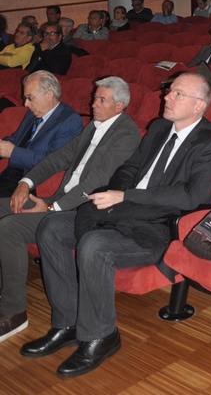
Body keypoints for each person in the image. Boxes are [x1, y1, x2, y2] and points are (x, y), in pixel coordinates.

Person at [21, 73, 211, 376]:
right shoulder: (159, 128)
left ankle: (101, 336)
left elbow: (192, 195)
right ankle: (67, 323)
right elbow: (129, 167)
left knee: (94, 245)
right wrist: (114, 195)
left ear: (199, 105)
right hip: (123, 212)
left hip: (159, 227)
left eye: (176, 94)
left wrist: (126, 196)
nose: (166, 97)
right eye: (169, 91)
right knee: (51, 228)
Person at [0, 77, 140, 341]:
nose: (93, 103)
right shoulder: (93, 127)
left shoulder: (126, 133)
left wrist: (53, 206)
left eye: (101, 100)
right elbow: (58, 158)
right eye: (94, 97)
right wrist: (25, 183)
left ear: (120, 105)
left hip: (85, 210)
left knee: (9, 228)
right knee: (2, 208)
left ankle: (13, 313)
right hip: (61, 199)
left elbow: (96, 181)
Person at [0, 71, 83, 198]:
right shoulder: (32, 113)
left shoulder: (69, 120)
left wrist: (13, 152)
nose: (25, 104)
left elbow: (54, 161)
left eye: (30, 98)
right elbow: (16, 139)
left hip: (31, 183)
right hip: (9, 176)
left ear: (49, 94)